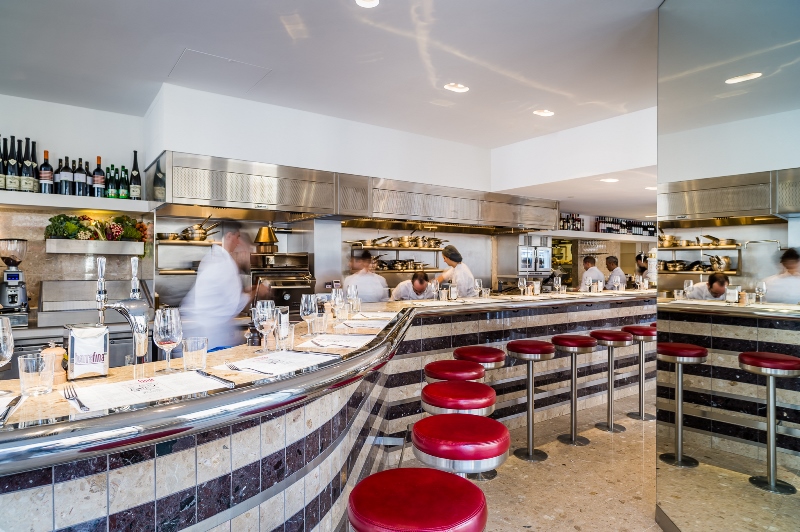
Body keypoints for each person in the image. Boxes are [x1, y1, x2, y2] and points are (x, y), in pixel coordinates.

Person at [181, 222, 252, 350]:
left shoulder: (213, 257)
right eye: (238, 236)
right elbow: (235, 305)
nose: (238, 242)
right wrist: (257, 291)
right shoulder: (225, 263)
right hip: (214, 336)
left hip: (203, 332)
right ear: (229, 236)